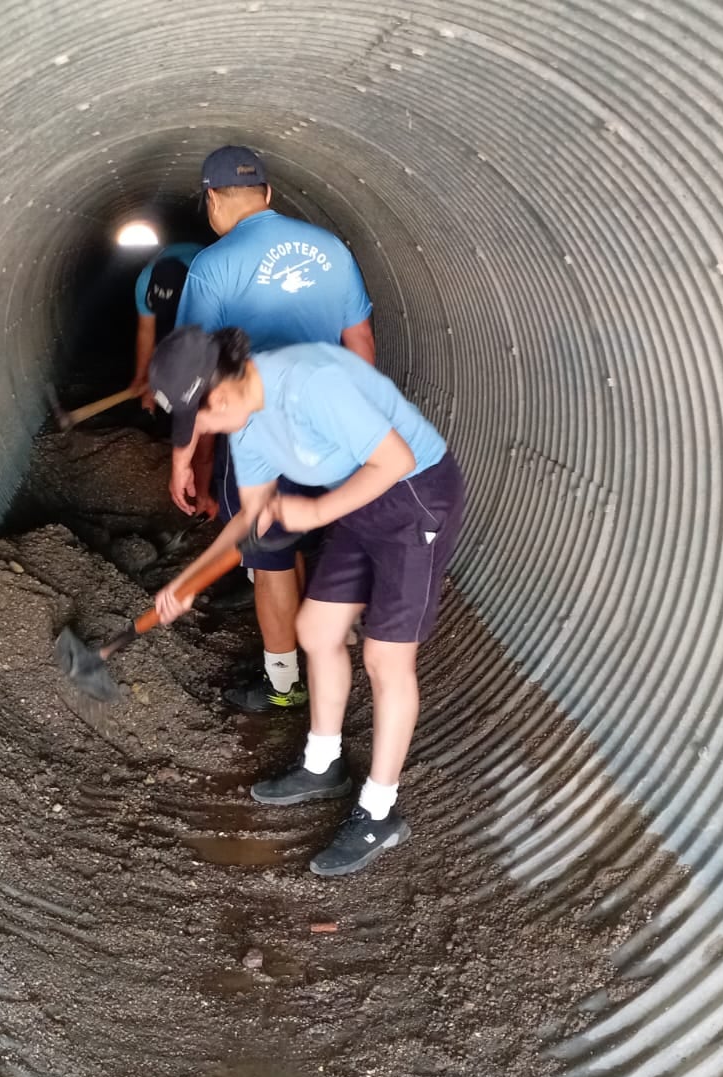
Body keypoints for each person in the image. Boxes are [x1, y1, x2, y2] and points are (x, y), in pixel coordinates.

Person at [149, 326, 466, 878]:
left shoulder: (310, 382)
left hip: (413, 497)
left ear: (218, 395)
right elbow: (251, 520)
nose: (197, 434)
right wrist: (187, 582)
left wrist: (316, 515)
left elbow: (393, 460)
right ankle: (323, 765)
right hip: (357, 503)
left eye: (196, 421)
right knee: (316, 629)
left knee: (385, 658)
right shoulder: (244, 424)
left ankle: (379, 812)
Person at [171, 145, 377, 713]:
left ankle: (284, 684)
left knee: (268, 560)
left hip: (262, 430)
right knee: (299, 534)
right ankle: (325, 644)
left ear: (212, 199)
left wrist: (185, 457)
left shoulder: (213, 265)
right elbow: (360, 343)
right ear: (267, 194)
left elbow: (190, 370)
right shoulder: (331, 249)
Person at [130, 240, 203, 412]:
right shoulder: (145, 281)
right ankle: (150, 409)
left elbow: (202, 349)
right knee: (162, 340)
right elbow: (146, 332)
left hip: (198, 287)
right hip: (175, 275)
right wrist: (142, 377)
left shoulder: (204, 286)